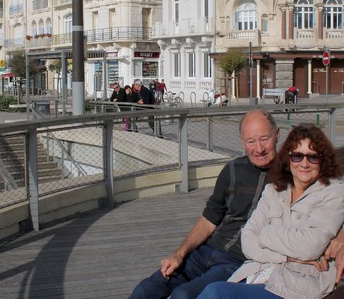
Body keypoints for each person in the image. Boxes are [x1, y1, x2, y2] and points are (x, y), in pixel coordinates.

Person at [129, 109, 280, 299]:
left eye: (264, 139)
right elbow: (210, 219)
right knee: (145, 290)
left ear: (277, 135)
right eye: (251, 141)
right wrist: (179, 254)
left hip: (238, 260)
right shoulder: (232, 170)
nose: (259, 149)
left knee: (183, 295)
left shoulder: (292, 175)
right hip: (207, 250)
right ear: (242, 142)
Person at [197, 124, 344, 299]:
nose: (304, 164)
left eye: (313, 157)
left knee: (216, 293)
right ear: (288, 159)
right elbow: (248, 242)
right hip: (255, 274)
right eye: (297, 156)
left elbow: (309, 247)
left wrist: (265, 233)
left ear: (323, 160)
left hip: (295, 284)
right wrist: (288, 257)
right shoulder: (273, 191)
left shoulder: (332, 192)